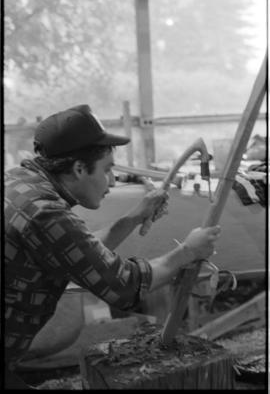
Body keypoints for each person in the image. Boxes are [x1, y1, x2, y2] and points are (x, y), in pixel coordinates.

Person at [5, 104, 221, 389]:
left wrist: (132, 218)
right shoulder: (45, 213)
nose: (112, 180)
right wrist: (189, 251)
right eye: (107, 170)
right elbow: (124, 286)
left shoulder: (18, 181)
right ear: (79, 168)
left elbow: (77, 254)